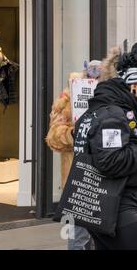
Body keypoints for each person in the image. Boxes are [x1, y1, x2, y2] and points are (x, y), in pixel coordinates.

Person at [75, 48, 137, 250]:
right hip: (114, 208)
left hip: (106, 206)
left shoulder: (107, 110)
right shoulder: (112, 115)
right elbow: (111, 161)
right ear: (134, 86)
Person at [46, 58, 106, 250]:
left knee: (102, 236)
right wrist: (72, 133)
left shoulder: (108, 98)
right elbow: (53, 137)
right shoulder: (67, 99)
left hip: (103, 176)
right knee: (78, 237)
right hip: (77, 180)